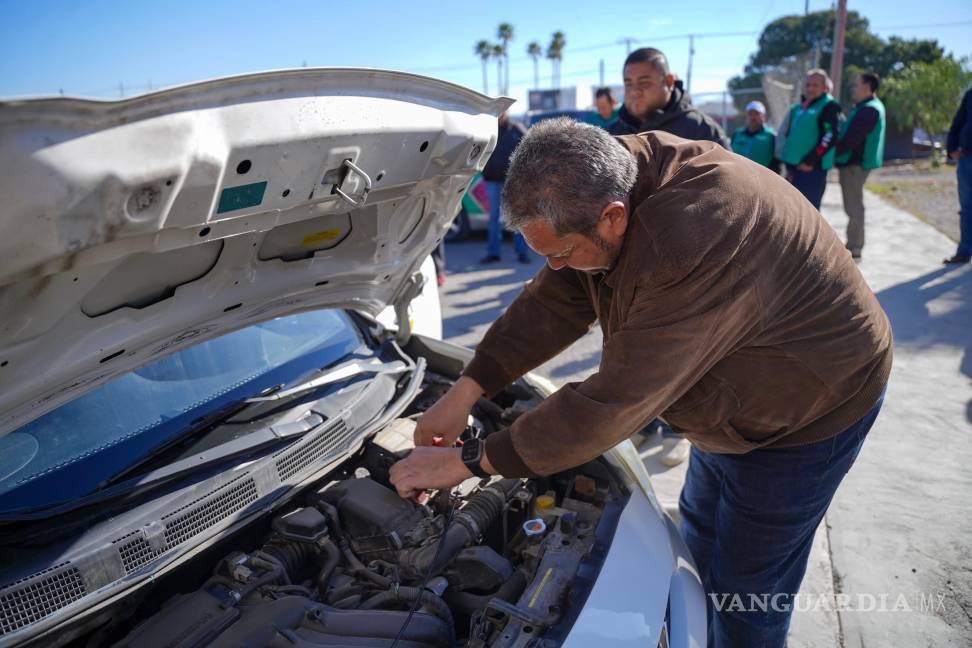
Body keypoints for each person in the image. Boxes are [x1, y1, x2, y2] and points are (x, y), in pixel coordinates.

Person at [390, 119, 891, 647]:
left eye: (561, 253)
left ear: (612, 217)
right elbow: (553, 300)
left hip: (809, 406)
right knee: (698, 539)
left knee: (747, 589)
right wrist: (465, 389)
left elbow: (615, 401)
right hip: (728, 402)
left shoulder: (695, 236)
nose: (556, 266)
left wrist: (469, 462)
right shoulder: (607, 172)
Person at [608, 47, 729, 148]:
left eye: (644, 83)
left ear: (669, 82)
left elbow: (727, 175)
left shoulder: (702, 131)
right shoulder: (613, 135)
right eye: (628, 84)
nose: (635, 91)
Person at [835, 72, 886, 260]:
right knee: (853, 206)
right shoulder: (865, 107)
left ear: (866, 87)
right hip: (853, 164)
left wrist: (833, 153)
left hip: (855, 165)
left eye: (856, 85)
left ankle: (854, 247)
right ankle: (853, 244)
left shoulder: (869, 109)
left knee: (854, 206)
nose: (853, 88)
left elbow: (852, 139)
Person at [779, 69, 842, 209]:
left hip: (811, 170)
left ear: (825, 87)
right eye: (808, 85)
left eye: (815, 85)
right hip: (795, 169)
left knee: (808, 213)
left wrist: (810, 160)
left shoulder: (829, 106)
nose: (810, 88)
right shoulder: (804, 106)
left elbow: (830, 136)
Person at [480, 112, 530, 264]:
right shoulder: (488, 129)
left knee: (516, 218)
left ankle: (522, 252)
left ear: (507, 112)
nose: (499, 114)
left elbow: (531, 149)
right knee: (493, 219)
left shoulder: (517, 129)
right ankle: (493, 253)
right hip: (492, 181)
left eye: (503, 110)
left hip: (513, 182)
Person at [944, 84, 972, 264]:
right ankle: (964, 251)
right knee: (967, 207)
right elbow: (959, 121)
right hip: (967, 158)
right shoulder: (971, 94)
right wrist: (952, 147)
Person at [731, 100, 779, 171]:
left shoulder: (771, 136)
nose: (753, 117)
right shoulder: (737, 134)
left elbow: (777, 161)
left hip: (762, 178)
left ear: (764, 116)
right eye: (750, 113)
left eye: (757, 113)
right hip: (738, 175)